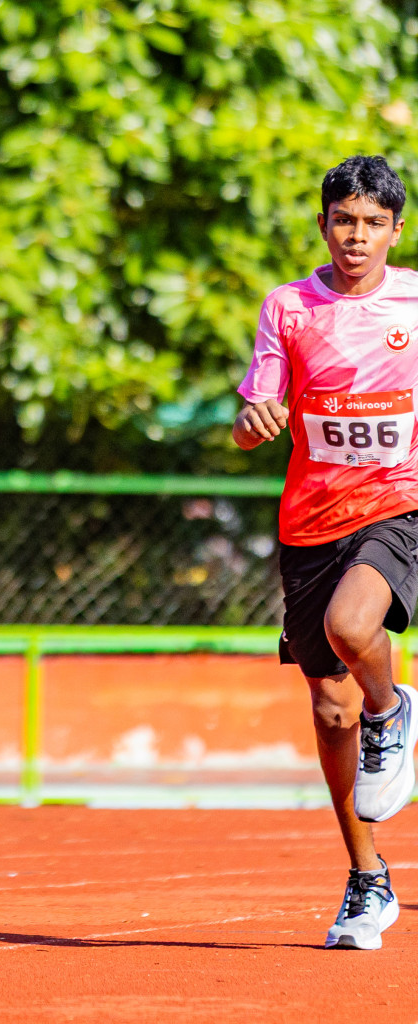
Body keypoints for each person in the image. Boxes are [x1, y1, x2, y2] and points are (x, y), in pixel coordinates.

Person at [235, 155, 418, 950]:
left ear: (395, 232)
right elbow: (251, 415)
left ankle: (394, 706)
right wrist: (254, 424)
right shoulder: (288, 308)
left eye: (373, 223)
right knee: (328, 708)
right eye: (344, 220)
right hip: (310, 523)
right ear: (323, 225)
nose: (357, 235)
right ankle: (367, 878)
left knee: (356, 625)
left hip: (397, 506)